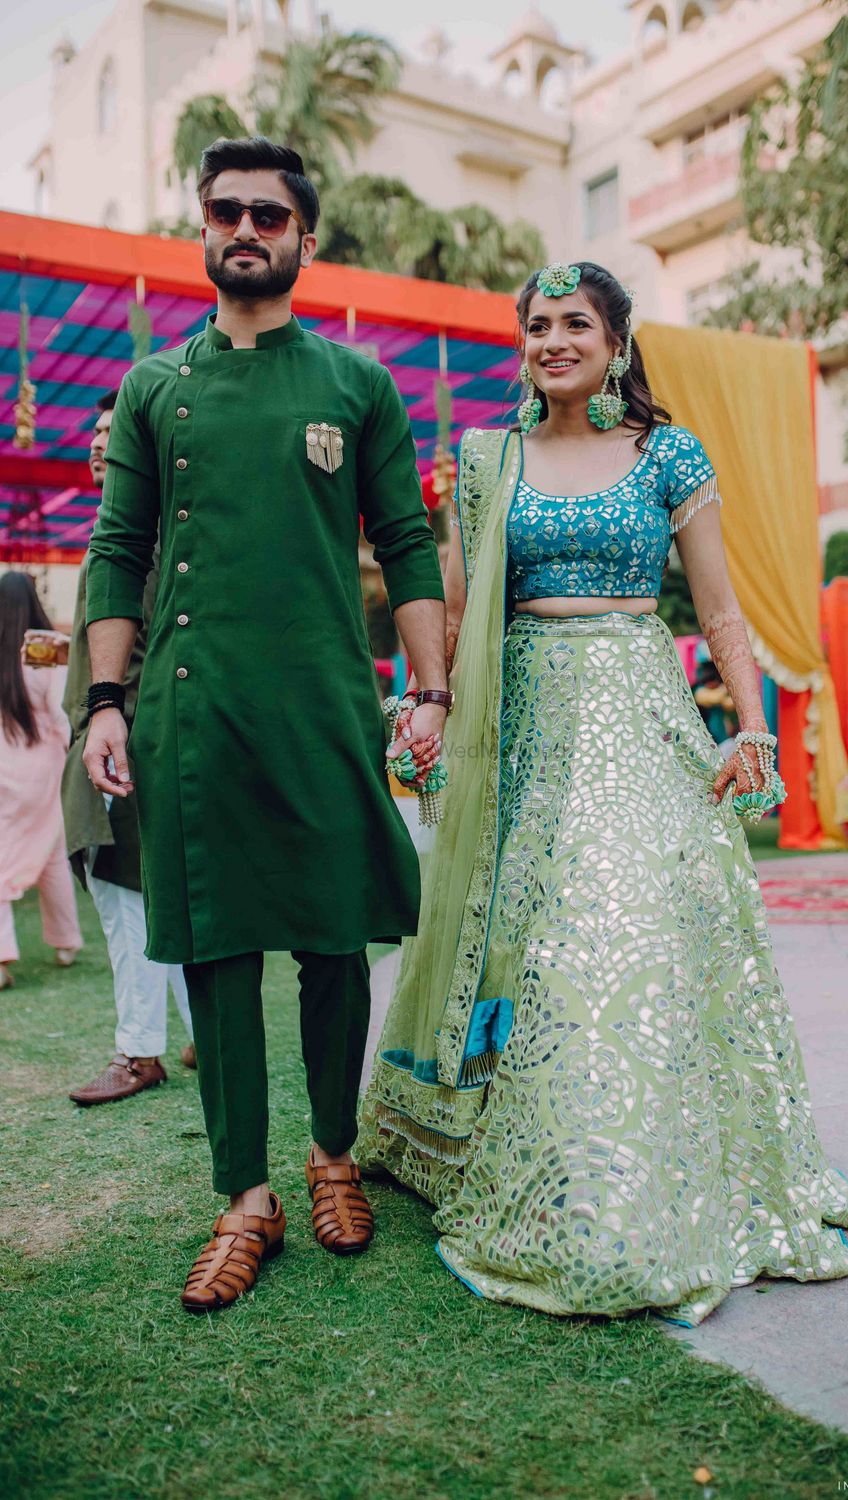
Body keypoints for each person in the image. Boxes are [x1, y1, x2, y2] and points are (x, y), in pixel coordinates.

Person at [357, 260, 848, 1325]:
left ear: (615, 343)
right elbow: (460, 617)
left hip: (641, 727)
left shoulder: (665, 453)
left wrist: (749, 724)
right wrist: (430, 712)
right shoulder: (486, 458)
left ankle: (664, 1172)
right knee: (539, 948)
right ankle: (564, 1172)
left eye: (576, 324)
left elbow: (721, 613)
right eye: (538, 325)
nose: (554, 340)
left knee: (643, 934)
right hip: (525, 736)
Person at [82, 136, 447, 1313]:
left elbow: (405, 544)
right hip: (190, 706)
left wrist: (428, 690)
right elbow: (116, 551)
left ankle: (333, 1155)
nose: (246, 229)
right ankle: (245, 1198)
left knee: (334, 939)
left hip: (327, 699)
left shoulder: (357, 384)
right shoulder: (153, 389)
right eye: (226, 210)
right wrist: (102, 702)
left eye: (269, 215)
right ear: (204, 226)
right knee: (220, 949)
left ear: (302, 238)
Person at [63, 390, 196, 1106]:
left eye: (112, 436)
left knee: (123, 892)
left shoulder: (145, 539)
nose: (96, 445)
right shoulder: (122, 532)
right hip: (108, 735)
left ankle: (138, 1051)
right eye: (94, 432)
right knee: (147, 890)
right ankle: (200, 1028)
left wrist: (117, 726)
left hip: (126, 743)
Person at [0, 572, 82, 989]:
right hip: (43, 769)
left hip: (3, 766)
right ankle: (66, 942)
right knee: (51, 847)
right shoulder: (45, 646)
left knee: (8, 854)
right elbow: (60, 712)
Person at [693, 657, 737, 754]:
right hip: (707, 739)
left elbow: (730, 704)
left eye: (713, 681)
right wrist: (726, 688)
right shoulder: (699, 691)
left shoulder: (718, 694)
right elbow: (713, 698)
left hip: (723, 739)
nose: (711, 685)